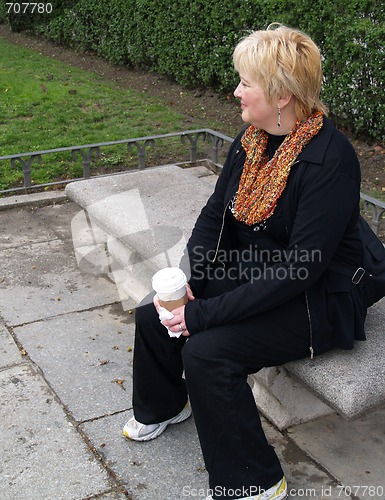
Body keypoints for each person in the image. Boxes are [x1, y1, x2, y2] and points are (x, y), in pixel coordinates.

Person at [122, 24, 367, 500]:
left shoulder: (331, 160)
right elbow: (217, 213)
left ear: (281, 95)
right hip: (258, 272)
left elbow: (301, 269)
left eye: (245, 83)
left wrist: (205, 314)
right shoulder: (253, 139)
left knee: (206, 352)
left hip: (315, 299)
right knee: (156, 313)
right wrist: (191, 281)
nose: (236, 91)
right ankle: (165, 406)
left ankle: (255, 479)